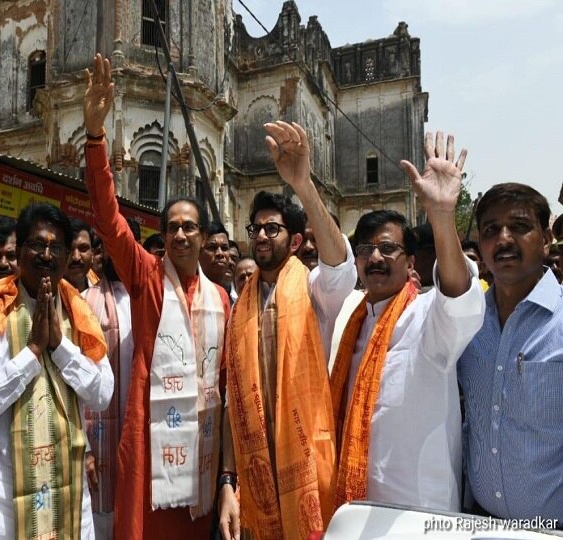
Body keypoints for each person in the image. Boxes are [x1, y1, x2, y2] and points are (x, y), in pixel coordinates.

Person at [84, 53, 230, 538]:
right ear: (164, 236)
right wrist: (95, 136)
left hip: (202, 454)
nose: (182, 235)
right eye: (172, 228)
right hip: (149, 442)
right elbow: (108, 217)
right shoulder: (146, 276)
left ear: (205, 237)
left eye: (190, 226)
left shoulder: (221, 300)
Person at [322, 132, 485, 512]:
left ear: (411, 262)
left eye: (388, 248)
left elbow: (459, 299)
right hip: (353, 510)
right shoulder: (350, 317)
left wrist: (442, 218)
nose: (375, 257)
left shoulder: (427, 316)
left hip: (418, 513)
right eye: (364, 249)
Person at [219, 121, 352, 540]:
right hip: (258, 477)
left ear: (294, 242)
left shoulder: (314, 290)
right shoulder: (241, 305)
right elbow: (231, 403)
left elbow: (340, 266)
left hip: (307, 465)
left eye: (272, 228)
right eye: (254, 228)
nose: (260, 235)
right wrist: (227, 482)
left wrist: (302, 183)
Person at [0, 202, 114, 539]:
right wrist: (32, 352)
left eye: (55, 247)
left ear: (68, 254)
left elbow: (102, 394)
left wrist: (60, 346)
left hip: (69, 503)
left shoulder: (79, 314)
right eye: (36, 244)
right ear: (20, 250)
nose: (46, 254)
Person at [458, 183, 563, 524]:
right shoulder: (467, 324)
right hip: (476, 521)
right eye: (491, 229)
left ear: (546, 239)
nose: (503, 239)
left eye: (519, 227)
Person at [82, 230, 136, 540]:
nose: (113, 255)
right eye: (107, 248)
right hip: (98, 437)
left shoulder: (149, 296)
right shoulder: (84, 301)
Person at [199, 221, 232, 294]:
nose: (220, 253)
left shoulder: (234, 296)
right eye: (212, 247)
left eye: (224, 248)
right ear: (198, 253)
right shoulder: (192, 292)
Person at [66, 218, 95, 292]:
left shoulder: (103, 292)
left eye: (83, 248)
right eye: (69, 249)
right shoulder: (49, 295)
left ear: (92, 254)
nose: (76, 257)